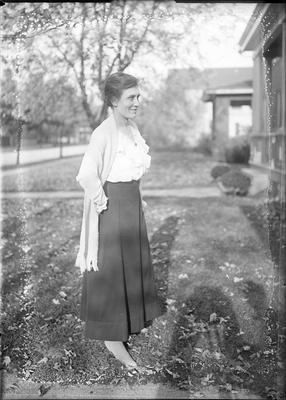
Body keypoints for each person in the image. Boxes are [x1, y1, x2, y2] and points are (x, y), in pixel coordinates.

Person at [75, 72, 162, 372]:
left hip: (130, 206)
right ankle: (111, 334)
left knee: (132, 265)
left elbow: (131, 169)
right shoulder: (104, 133)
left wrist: (136, 199)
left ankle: (130, 319)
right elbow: (86, 175)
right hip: (112, 210)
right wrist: (103, 203)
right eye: (131, 98)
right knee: (112, 270)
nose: (138, 102)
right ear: (114, 101)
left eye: (138, 96)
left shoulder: (130, 127)